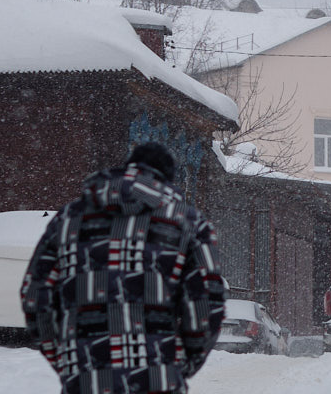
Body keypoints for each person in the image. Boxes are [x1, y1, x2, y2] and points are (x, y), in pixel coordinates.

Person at [21, 142, 226, 394]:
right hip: (158, 382)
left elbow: (35, 297)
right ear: (167, 180)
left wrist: (69, 359)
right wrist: (180, 363)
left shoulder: (68, 220)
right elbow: (206, 305)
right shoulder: (190, 223)